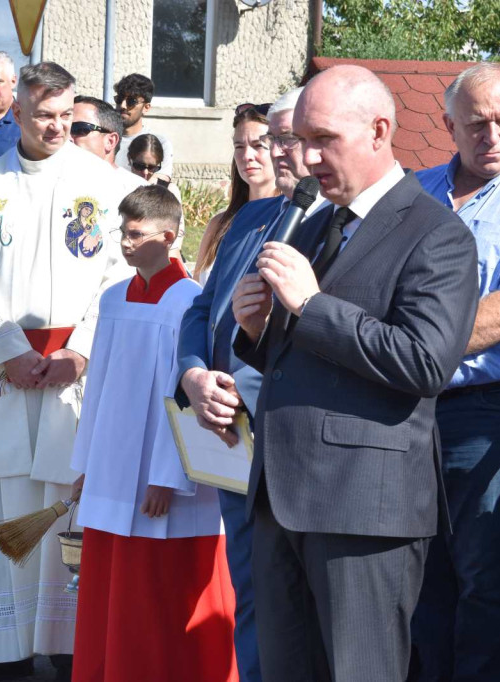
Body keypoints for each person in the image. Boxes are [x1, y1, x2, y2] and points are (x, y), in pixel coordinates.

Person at [229, 64, 480, 681]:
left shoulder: (437, 234)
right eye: (301, 141)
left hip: (364, 509)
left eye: (324, 140)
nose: (308, 157)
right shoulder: (313, 222)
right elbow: (295, 357)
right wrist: (256, 331)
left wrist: (312, 306)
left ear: (379, 131)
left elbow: (423, 361)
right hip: (281, 499)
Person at [0, 61, 130, 682]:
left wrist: (81, 348)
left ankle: (71, 648)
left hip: (72, 373)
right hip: (5, 373)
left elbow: (117, 273)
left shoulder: (101, 184)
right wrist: (9, 351)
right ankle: (6, 654)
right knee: (0, 504)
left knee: (66, 505)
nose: (55, 127)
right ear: (18, 115)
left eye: (64, 116)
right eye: (42, 116)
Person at [70, 185, 237, 682]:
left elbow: (183, 392)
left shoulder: (189, 301)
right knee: (112, 585)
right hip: (113, 469)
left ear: (168, 237)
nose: (124, 242)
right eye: (122, 231)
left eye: (136, 234)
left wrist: (169, 475)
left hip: (162, 476)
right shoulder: (113, 297)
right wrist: (84, 465)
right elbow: (95, 386)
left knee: (161, 588)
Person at [176, 86, 313, 682]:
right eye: (272, 138)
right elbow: (200, 311)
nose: (279, 151)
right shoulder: (251, 216)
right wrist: (193, 374)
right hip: (229, 434)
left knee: (295, 601)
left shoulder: (338, 222)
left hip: (295, 437)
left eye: (288, 137)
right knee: (250, 589)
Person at [410, 63, 500, 682]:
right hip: (406, 411)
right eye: (476, 123)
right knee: (418, 573)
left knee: (481, 578)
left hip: (487, 415)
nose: (493, 136)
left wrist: (404, 345)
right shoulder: (413, 192)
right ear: (448, 124)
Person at [71, 96, 189, 258]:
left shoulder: (138, 192)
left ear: (110, 141)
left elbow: (167, 255)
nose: (68, 137)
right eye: (66, 127)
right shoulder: (51, 186)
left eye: (79, 129)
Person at [196, 103, 279, 283]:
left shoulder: (288, 221)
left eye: (258, 145)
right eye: (239, 146)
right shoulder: (219, 224)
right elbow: (197, 290)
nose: (247, 156)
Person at [113, 73, 175, 179]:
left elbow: (158, 184)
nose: (122, 106)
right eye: (119, 99)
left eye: (131, 101)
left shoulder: (158, 143)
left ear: (146, 108)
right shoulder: (104, 139)